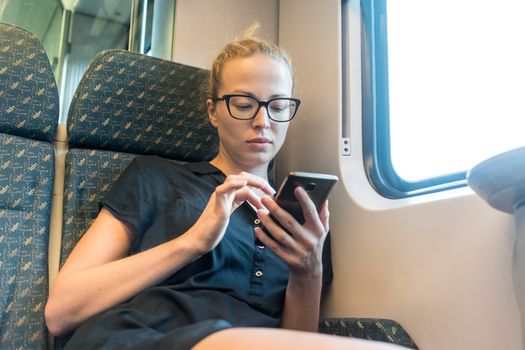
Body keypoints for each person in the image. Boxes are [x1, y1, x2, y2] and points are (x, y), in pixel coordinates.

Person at [45, 26, 408, 350]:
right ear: (213, 111)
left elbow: (296, 338)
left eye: (278, 106)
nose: (263, 121)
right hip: (147, 334)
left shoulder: (302, 219)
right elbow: (61, 311)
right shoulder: (154, 177)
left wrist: (309, 270)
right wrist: (194, 241)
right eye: (244, 104)